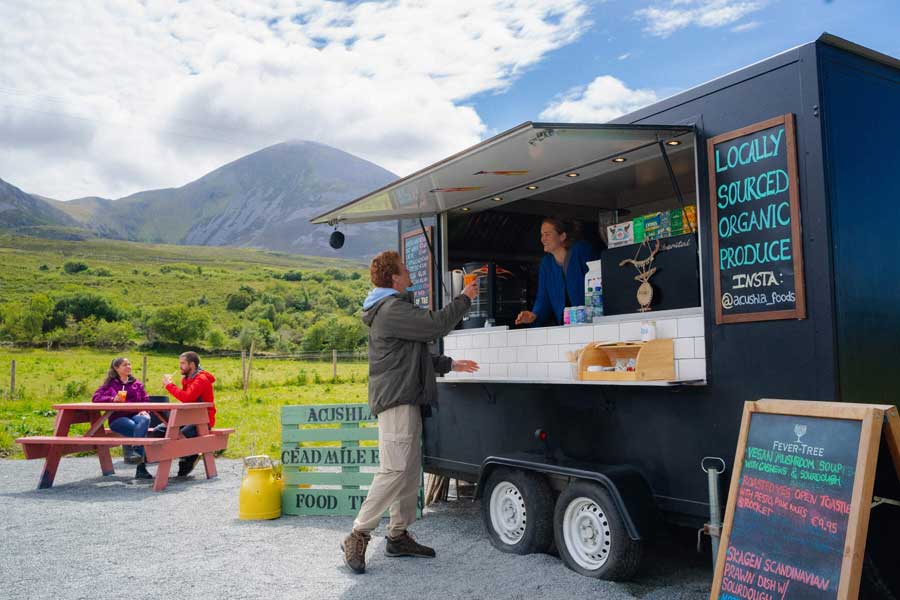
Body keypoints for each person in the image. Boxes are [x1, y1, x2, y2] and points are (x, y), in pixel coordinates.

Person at [341, 250, 479, 574]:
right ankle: (358, 534)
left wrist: (449, 364)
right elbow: (435, 326)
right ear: (394, 277)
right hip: (397, 401)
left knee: (408, 469)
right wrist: (465, 298)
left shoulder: (392, 309)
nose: (409, 272)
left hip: (407, 398)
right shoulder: (390, 310)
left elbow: (412, 357)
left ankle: (398, 535)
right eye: (404, 269)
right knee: (394, 469)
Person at [515, 217, 599, 327]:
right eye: (542, 235)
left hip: (594, 321)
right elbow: (543, 297)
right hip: (568, 325)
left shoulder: (581, 250)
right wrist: (534, 315)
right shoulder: (547, 264)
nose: (543, 239)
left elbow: (599, 280)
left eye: (547, 234)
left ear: (562, 236)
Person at [92, 357, 153, 479]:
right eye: (125, 365)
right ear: (116, 368)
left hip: (137, 415)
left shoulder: (137, 384)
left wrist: (144, 410)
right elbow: (95, 398)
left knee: (145, 419)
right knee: (137, 430)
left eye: (129, 364)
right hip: (118, 417)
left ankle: (135, 448)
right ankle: (141, 467)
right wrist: (112, 399)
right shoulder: (110, 384)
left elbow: (146, 400)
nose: (129, 367)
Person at [158, 351, 217, 477]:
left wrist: (169, 386)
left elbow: (187, 398)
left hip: (203, 421)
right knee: (159, 430)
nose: (180, 366)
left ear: (192, 364)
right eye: (180, 363)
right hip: (188, 418)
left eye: (183, 363)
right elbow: (187, 400)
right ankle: (146, 462)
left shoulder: (201, 379)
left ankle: (190, 456)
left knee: (180, 436)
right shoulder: (186, 379)